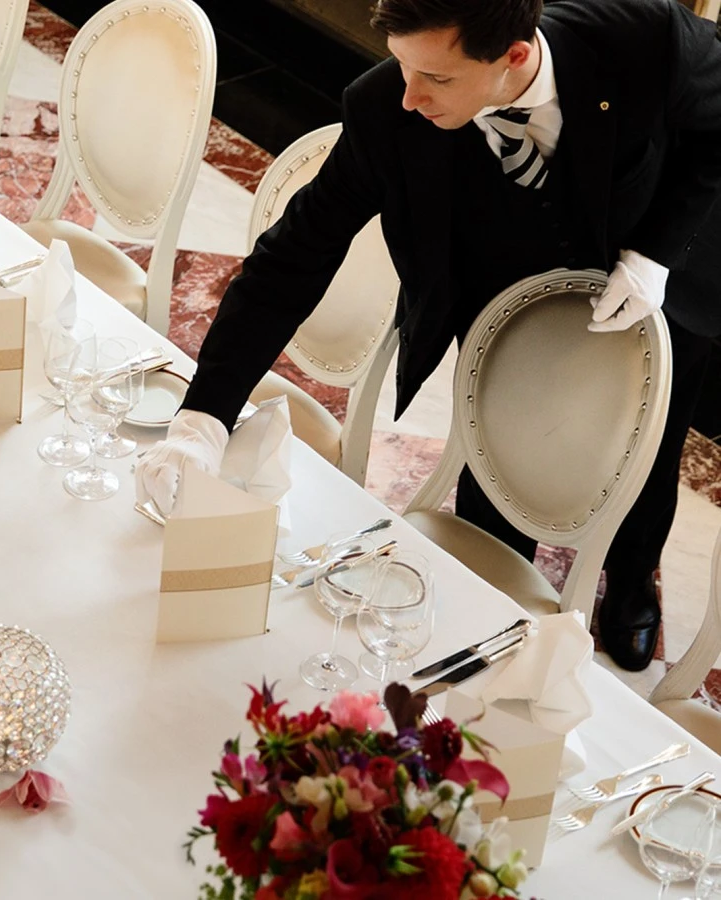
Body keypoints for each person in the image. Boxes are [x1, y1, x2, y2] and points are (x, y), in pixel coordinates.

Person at [136, 0, 721, 672]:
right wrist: (204, 417)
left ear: (515, 57)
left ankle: (632, 582)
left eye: (437, 78)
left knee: (651, 454)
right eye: (402, 65)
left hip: (651, 289)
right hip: (505, 303)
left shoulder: (647, 41)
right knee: (495, 471)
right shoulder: (385, 108)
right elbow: (291, 260)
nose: (410, 96)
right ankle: (488, 626)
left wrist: (655, 254)